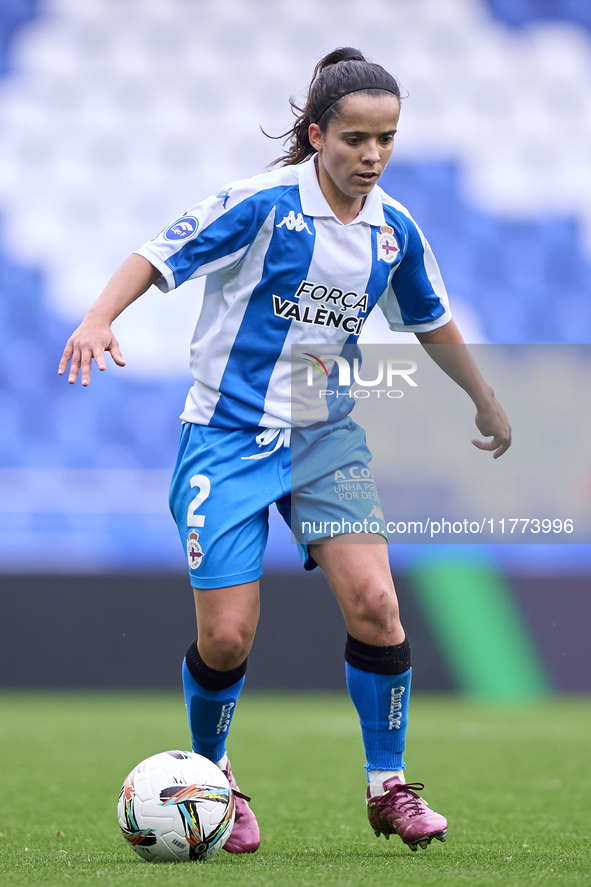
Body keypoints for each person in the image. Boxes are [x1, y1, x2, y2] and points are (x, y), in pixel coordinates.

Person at [59, 47, 511, 854]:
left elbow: (431, 318)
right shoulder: (262, 204)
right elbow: (157, 253)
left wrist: (481, 395)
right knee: (227, 637)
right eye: (354, 139)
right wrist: (100, 318)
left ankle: (389, 788)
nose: (371, 156)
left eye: (386, 139)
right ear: (316, 135)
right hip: (226, 439)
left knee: (375, 603)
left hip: (324, 439)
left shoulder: (393, 230)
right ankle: (213, 777)